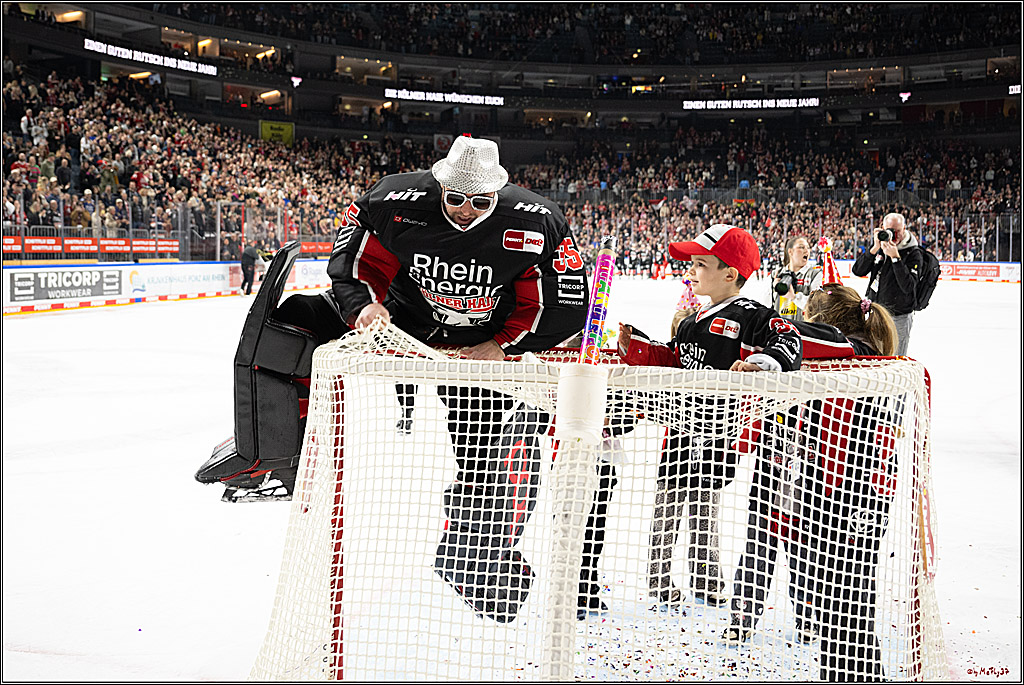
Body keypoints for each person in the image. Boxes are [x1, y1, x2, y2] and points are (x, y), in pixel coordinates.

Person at [194, 136, 589, 623]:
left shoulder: (537, 221)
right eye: (457, 199)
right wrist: (365, 307)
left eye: (481, 201)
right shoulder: (392, 200)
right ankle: (270, 453)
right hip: (400, 323)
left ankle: (477, 561)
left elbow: (563, 304)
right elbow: (352, 266)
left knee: (483, 444)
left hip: (476, 346)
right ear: (440, 185)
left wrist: (502, 346)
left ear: (498, 195)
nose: (467, 211)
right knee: (297, 316)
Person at [616, 224, 804, 608]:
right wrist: (634, 346)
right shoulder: (691, 319)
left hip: (718, 432)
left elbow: (789, 340)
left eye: (700, 264)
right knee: (665, 508)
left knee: (705, 509)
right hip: (679, 428)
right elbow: (673, 359)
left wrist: (763, 363)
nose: (690, 270)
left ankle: (705, 581)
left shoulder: (751, 314)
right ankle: (659, 582)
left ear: (730, 274)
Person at [724, 283, 899, 650]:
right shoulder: (847, 353)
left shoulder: (850, 352)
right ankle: (749, 617)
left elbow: (795, 341)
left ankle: (812, 621)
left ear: (819, 320)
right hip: (786, 470)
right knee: (763, 542)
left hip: (832, 488)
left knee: (815, 561)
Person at [851, 213, 924, 356]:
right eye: (890, 230)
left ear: (904, 229)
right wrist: (874, 248)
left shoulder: (913, 252)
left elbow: (908, 287)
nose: (894, 234)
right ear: (883, 228)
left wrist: (896, 258)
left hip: (899, 316)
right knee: (873, 355)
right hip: (876, 312)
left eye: (897, 231)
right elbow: (858, 271)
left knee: (895, 357)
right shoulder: (879, 247)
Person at [772, 236, 822, 322]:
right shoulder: (776, 274)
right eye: (801, 247)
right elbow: (766, 306)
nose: (807, 251)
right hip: (780, 331)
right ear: (790, 251)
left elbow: (816, 307)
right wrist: (773, 288)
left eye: (808, 248)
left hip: (804, 332)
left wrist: (794, 297)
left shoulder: (815, 274)